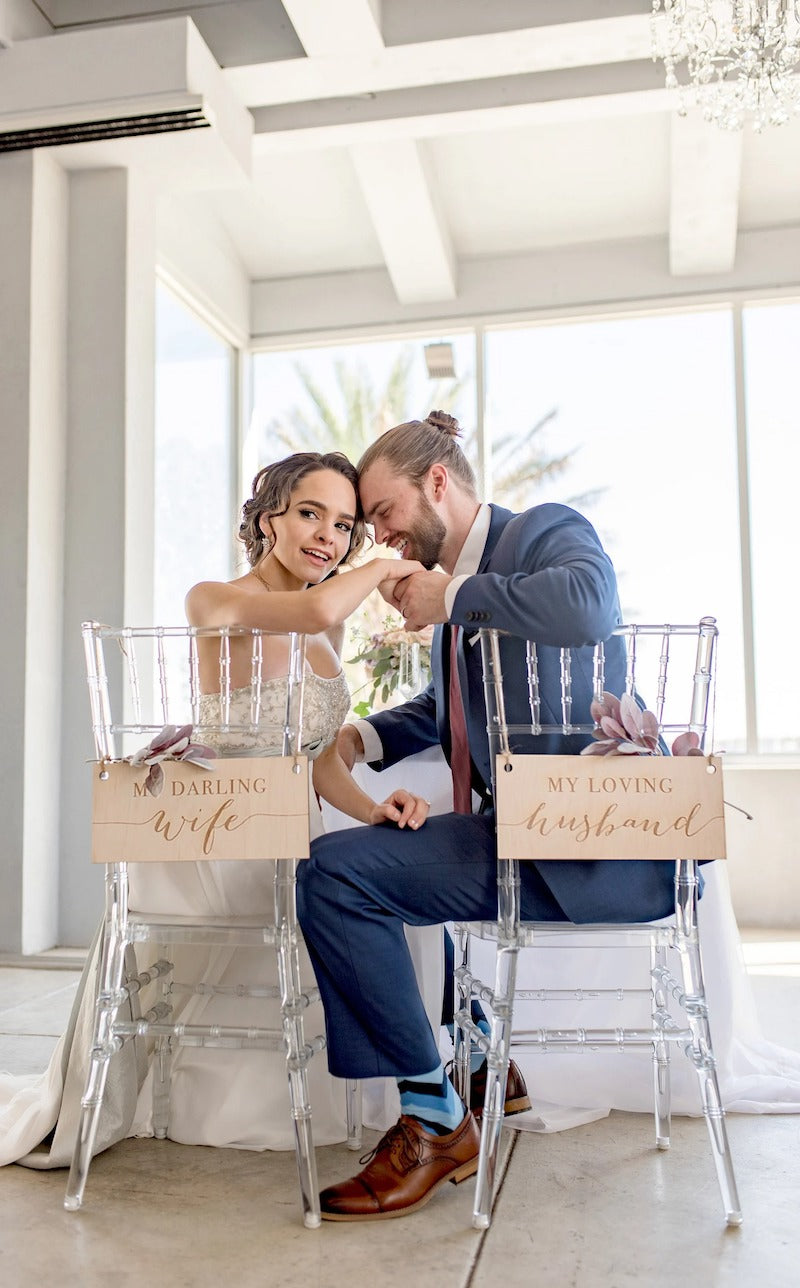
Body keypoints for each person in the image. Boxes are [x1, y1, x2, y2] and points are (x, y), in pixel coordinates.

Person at [295, 410, 678, 1222]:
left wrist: (456, 593)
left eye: (385, 512)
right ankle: (474, 1055)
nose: (380, 537)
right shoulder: (456, 597)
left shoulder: (542, 534)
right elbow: (449, 707)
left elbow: (591, 604)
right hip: (518, 836)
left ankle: (436, 1117)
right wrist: (362, 734)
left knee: (337, 877)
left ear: (438, 482)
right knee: (356, 862)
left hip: (593, 843)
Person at [0, 450, 429, 1169]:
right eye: (310, 514)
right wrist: (385, 568)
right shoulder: (216, 598)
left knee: (365, 886)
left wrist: (373, 808)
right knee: (316, 888)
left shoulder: (330, 630)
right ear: (269, 520)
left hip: (290, 830)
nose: (328, 536)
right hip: (215, 832)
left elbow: (318, 758)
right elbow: (320, 604)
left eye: (347, 525)